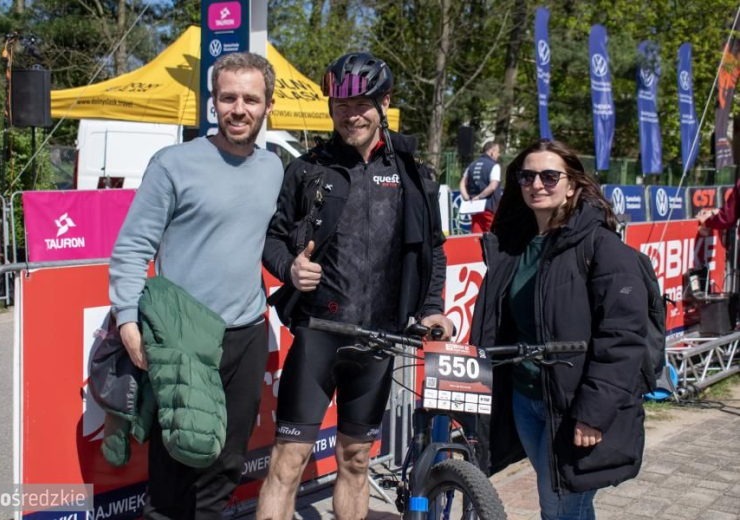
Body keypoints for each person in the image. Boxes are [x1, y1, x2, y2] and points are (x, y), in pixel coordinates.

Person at [256, 52, 452, 520]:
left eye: (361, 103)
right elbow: (272, 238)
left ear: (384, 101)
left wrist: (431, 307)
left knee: (356, 460)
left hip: (380, 338)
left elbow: (434, 249)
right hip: (320, 332)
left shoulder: (411, 171)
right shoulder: (307, 168)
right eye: (340, 105)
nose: (351, 114)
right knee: (288, 462)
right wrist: (288, 269)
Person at [108, 52, 283, 519]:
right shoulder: (172, 164)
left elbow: (275, 242)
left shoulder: (275, 169)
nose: (239, 108)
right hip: (182, 339)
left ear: (267, 105)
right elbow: (131, 249)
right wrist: (128, 321)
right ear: (214, 103)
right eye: (229, 98)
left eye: (251, 98)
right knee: (176, 467)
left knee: (227, 464)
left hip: (246, 334)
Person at [470, 139, 647, 519]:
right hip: (526, 398)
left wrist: (593, 413)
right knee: (567, 502)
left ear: (572, 185)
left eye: (550, 176)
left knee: (560, 505)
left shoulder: (602, 248)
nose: (537, 184)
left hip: (574, 406)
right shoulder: (515, 246)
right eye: (527, 175)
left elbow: (623, 337)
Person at [459, 141, 502, 233]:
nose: (499, 154)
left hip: (474, 208)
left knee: (476, 236)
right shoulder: (494, 166)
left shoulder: (471, 165)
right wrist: (479, 197)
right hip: (489, 207)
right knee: (493, 235)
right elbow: (492, 187)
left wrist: (467, 198)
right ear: (492, 151)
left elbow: (462, 183)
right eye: (498, 152)